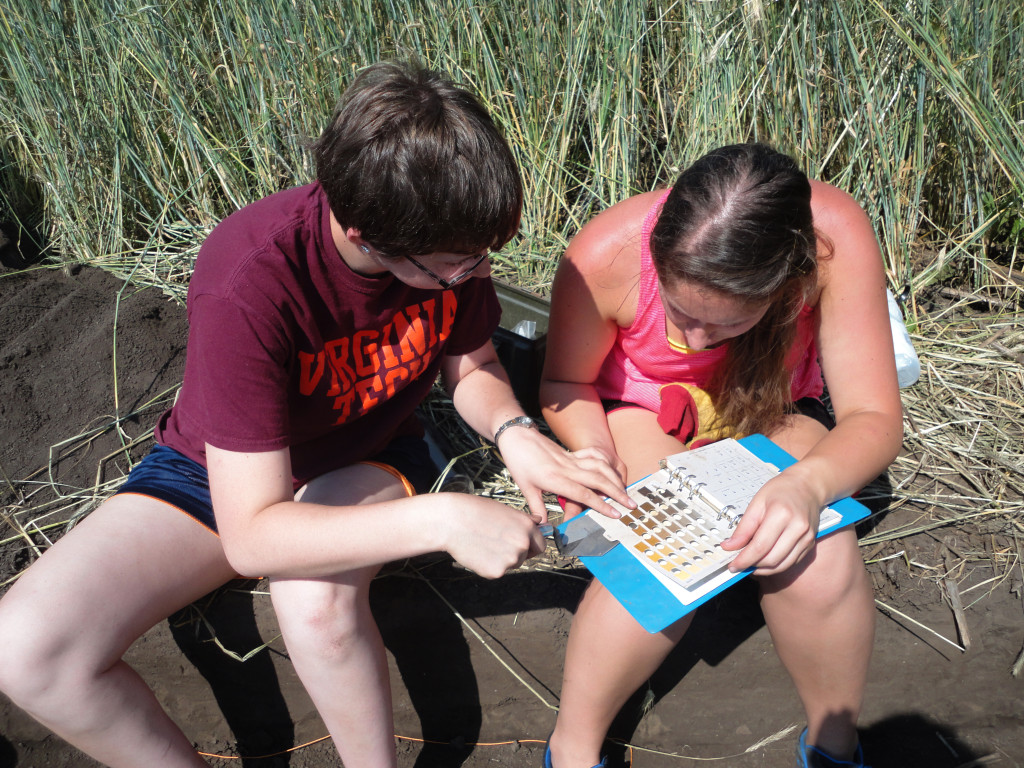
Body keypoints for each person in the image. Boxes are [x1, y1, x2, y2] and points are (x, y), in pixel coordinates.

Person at [0, 61, 632, 768]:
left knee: (315, 604)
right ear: (363, 234)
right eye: (454, 267)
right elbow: (253, 536)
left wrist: (515, 435)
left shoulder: (451, 246)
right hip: (218, 475)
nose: (479, 275)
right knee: (27, 650)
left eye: (486, 256)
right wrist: (445, 519)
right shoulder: (250, 280)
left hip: (364, 456)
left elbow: (471, 362)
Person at [538, 143, 904, 768]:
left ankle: (833, 746)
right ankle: (573, 750)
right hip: (647, 412)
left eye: (728, 323)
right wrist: (595, 456)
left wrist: (808, 487)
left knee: (814, 549)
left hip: (776, 411)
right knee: (649, 553)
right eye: (680, 312)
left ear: (785, 281)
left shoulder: (834, 236)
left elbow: (873, 417)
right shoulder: (606, 254)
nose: (694, 338)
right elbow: (565, 385)